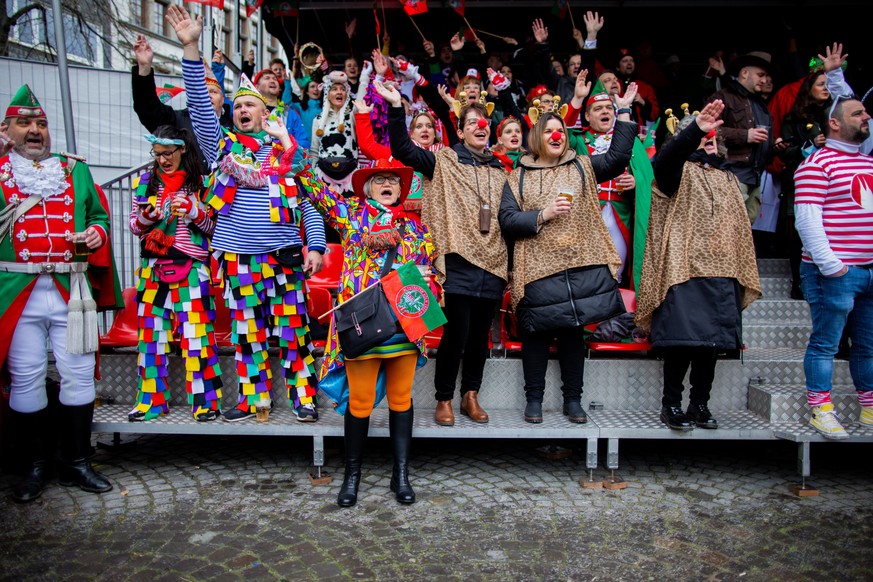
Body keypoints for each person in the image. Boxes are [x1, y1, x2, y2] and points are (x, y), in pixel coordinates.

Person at [168, 4, 326, 422]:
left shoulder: (289, 154)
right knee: (248, 335)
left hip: (285, 257)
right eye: (237, 106)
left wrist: (317, 246)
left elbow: (308, 203)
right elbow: (201, 111)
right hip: (238, 260)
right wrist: (190, 48)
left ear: (264, 112)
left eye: (249, 105)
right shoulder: (223, 150)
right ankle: (252, 399)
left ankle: (303, 397)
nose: (242, 110)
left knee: (294, 334)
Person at [0, 84, 123, 502]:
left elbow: (98, 214)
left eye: (41, 124)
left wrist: (96, 232)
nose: (35, 131)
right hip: (18, 290)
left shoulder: (74, 170)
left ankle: (76, 462)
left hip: (71, 290)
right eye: (25, 124)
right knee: (27, 378)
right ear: (7, 129)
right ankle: (33, 465)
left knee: (78, 375)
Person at [295, 160, 435, 506]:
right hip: (360, 325)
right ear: (367, 188)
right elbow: (317, 192)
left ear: (402, 191)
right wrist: (290, 149)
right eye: (379, 180)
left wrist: (427, 278)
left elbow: (426, 277)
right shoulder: (351, 217)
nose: (387, 184)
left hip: (403, 326)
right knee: (359, 403)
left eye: (393, 181)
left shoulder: (418, 232)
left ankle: (400, 475)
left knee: (401, 400)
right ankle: (351, 476)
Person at [381, 80, 507, 427]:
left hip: (493, 259)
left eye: (484, 122)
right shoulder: (445, 161)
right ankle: (444, 398)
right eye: (471, 123)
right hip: (458, 258)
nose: (480, 127)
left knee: (480, 334)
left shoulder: (499, 169)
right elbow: (405, 150)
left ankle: (471, 395)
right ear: (461, 131)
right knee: (457, 332)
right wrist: (395, 108)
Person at [498, 112, 635, 423]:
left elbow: (616, 159)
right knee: (536, 336)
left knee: (573, 335)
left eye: (560, 130)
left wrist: (624, 113)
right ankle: (533, 400)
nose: (556, 135)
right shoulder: (518, 176)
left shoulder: (582, 165)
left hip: (577, 266)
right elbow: (506, 220)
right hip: (536, 270)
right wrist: (542, 214)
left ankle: (573, 400)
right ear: (537, 138)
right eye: (549, 131)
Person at [636, 101, 762, 431]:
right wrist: (695, 130)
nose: (708, 140)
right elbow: (666, 159)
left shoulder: (728, 178)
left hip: (723, 272)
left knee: (711, 345)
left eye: (711, 136)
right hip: (683, 270)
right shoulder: (675, 172)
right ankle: (671, 405)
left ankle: (699, 404)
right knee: (681, 342)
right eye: (701, 136)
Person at [127, 125, 222, 422]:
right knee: (151, 339)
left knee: (197, 338)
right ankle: (151, 401)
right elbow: (133, 226)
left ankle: (205, 402)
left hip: (192, 268)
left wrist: (196, 212)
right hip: (153, 267)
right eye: (157, 155)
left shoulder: (203, 183)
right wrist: (146, 218)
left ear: (183, 149)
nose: (162, 160)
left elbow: (213, 231)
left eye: (168, 153)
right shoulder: (144, 183)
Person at [793, 95, 873, 439]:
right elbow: (807, 219)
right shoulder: (817, 164)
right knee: (825, 343)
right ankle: (820, 409)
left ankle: (869, 408)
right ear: (835, 123)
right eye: (858, 113)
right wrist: (831, 265)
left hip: (868, 271)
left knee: (868, 345)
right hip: (834, 272)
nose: (866, 116)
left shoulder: (868, 164)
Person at [131, 34, 231, 165]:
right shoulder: (177, 120)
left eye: (213, 91)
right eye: (204, 92)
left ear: (223, 99)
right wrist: (144, 68)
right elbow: (147, 109)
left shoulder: (234, 126)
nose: (207, 96)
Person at [705, 52, 777, 224]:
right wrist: (746, 135)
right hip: (731, 174)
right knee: (726, 228)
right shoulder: (723, 97)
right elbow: (706, 131)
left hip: (755, 177)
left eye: (767, 76)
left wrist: (775, 146)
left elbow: (765, 141)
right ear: (745, 73)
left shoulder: (761, 104)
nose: (765, 80)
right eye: (761, 75)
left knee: (744, 232)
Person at [778, 71, 831, 300]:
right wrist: (810, 144)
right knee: (800, 231)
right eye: (821, 84)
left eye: (829, 84)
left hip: (833, 182)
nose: (826, 88)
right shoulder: (793, 119)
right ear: (809, 89)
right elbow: (786, 153)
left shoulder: (836, 115)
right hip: (801, 180)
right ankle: (799, 282)